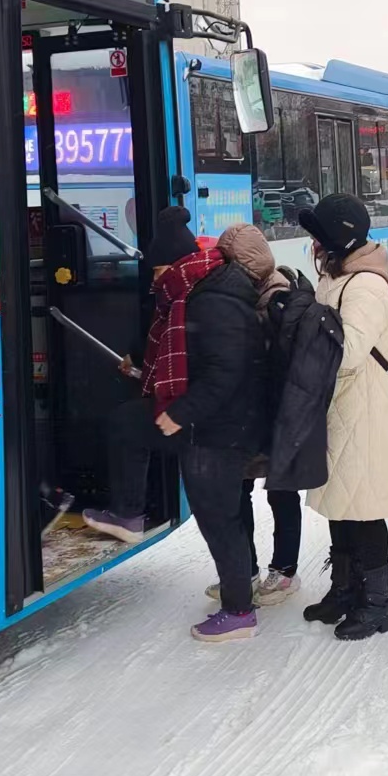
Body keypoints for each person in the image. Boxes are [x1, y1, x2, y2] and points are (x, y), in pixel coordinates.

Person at [86, 206, 269, 642]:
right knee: (128, 423)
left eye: (158, 269)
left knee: (218, 516)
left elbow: (227, 371)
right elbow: (171, 334)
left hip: (221, 428)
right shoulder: (190, 291)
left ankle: (239, 610)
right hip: (207, 419)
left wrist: (179, 412)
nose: (153, 278)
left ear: (178, 264)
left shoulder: (215, 299)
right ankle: (129, 513)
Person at [297, 194, 388, 640]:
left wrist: (302, 335)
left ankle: (377, 603)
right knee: (340, 505)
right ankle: (344, 589)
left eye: (319, 238)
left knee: (363, 510)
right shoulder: (338, 276)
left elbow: (349, 352)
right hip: (342, 406)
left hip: (366, 407)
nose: (314, 246)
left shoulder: (365, 285)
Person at [214, 223, 302, 606]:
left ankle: (284, 571)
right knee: (238, 492)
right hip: (248, 413)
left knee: (281, 492)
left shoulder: (279, 296)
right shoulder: (244, 294)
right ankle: (244, 570)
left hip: (277, 411)